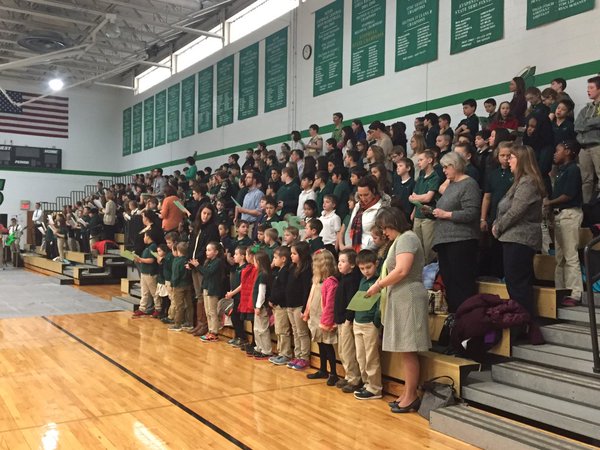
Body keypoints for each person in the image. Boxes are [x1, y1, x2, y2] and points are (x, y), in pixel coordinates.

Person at [366, 207, 431, 412]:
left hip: (408, 297)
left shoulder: (407, 238)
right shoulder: (401, 239)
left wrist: (378, 285)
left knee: (409, 349)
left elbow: (402, 270)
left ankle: (411, 396)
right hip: (401, 298)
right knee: (405, 350)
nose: (384, 232)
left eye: (385, 227)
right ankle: (406, 392)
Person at [492, 145, 545, 324]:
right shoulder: (519, 181)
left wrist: (498, 227)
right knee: (514, 284)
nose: (508, 160)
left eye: (512, 157)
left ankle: (524, 324)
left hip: (521, 238)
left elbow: (516, 211)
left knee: (518, 285)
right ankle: (522, 322)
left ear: (521, 160)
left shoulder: (528, 182)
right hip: (513, 238)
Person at [431, 153, 481, 313]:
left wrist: (446, 214)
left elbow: (471, 212)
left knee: (462, 281)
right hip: (444, 240)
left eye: (446, 167)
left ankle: (467, 317)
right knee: (449, 281)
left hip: (461, 240)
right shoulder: (451, 185)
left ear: (456, 165)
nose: (444, 170)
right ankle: (456, 316)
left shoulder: (469, 184)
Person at [544, 141, 584, 305]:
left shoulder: (573, 169)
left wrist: (549, 202)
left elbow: (568, 195)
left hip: (569, 214)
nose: (555, 153)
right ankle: (561, 290)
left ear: (568, 151)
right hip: (559, 215)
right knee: (559, 257)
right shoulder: (560, 171)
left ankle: (575, 293)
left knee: (570, 255)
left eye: (557, 150)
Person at [304, 249, 339, 386]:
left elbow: (330, 304)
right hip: (314, 316)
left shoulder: (331, 282)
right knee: (320, 344)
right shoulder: (316, 280)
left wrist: (327, 321)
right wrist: (306, 312)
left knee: (328, 346)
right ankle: (323, 369)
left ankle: (333, 373)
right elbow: (311, 297)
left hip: (324, 318)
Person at [480, 142, 514, 278]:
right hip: (495, 217)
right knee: (495, 250)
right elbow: (487, 197)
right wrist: (483, 218)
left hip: (511, 217)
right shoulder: (492, 174)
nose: (505, 158)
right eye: (502, 155)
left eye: (508, 155)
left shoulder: (517, 174)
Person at [352, 250, 382, 400]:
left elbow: (380, 304)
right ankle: (366, 383)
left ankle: (375, 388)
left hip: (370, 323)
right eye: (362, 268)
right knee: (361, 356)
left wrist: (376, 321)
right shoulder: (362, 280)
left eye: (368, 267)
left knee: (371, 357)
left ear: (376, 264)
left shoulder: (379, 281)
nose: (366, 271)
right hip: (358, 321)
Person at [333, 249, 362, 392]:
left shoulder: (352, 281)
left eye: (343, 262)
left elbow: (352, 302)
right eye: (339, 261)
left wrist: (348, 319)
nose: (339, 264)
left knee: (348, 350)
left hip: (346, 321)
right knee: (342, 351)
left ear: (352, 265)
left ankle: (354, 378)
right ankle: (348, 375)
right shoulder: (343, 279)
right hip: (340, 319)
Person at [187, 204, 219, 336]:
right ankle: (199, 323)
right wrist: (189, 261)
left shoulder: (212, 229)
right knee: (198, 294)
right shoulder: (196, 227)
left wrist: (196, 262)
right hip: (193, 263)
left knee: (202, 293)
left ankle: (205, 324)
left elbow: (207, 248)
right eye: (204, 213)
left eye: (208, 214)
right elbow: (191, 245)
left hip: (202, 264)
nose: (205, 216)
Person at [285, 241, 313, 370]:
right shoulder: (292, 267)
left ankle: (304, 357)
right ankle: (297, 355)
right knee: (295, 332)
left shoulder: (306, 270)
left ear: (302, 255)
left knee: (302, 332)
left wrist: (304, 308)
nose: (291, 256)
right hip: (290, 305)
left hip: (299, 306)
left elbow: (306, 290)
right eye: (291, 253)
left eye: (294, 254)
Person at [409, 150, 440, 263]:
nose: (419, 163)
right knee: (417, 246)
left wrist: (416, 198)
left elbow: (428, 198)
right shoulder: (421, 177)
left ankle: (431, 271)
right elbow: (413, 196)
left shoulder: (434, 177)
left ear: (430, 160)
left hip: (428, 217)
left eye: (421, 160)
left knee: (428, 247)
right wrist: (413, 211)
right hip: (417, 215)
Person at [190, 241, 225, 342]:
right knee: (207, 311)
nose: (207, 252)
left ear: (216, 252)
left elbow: (208, 273)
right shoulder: (208, 261)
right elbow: (204, 273)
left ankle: (214, 332)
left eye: (209, 250)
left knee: (212, 311)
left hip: (213, 289)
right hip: (206, 287)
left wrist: (197, 266)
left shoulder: (217, 262)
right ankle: (210, 330)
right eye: (206, 250)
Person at [575, 76, 600, 203]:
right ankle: (586, 207)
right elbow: (577, 126)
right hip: (584, 148)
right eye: (587, 88)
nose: (588, 90)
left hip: (597, 145)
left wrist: (588, 123)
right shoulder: (585, 108)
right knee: (586, 180)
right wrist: (591, 123)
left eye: (591, 87)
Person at [268, 246, 293, 365]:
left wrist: (273, 299)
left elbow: (282, 290)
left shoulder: (285, 272)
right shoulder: (280, 271)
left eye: (275, 258)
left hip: (281, 306)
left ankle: (285, 354)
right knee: (278, 330)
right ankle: (280, 352)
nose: (273, 260)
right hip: (277, 306)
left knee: (283, 330)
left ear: (283, 259)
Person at [347, 176, 383, 252]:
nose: (363, 198)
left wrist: (364, 253)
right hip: (354, 250)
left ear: (373, 191)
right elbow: (350, 228)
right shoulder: (358, 206)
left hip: (370, 253)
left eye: (366, 195)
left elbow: (380, 236)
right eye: (360, 195)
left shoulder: (381, 208)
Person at [224, 246, 249, 347]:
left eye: (236, 254)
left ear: (243, 256)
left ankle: (242, 338)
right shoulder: (237, 268)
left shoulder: (245, 268)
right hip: (235, 296)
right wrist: (231, 291)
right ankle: (238, 336)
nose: (234, 256)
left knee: (237, 317)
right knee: (234, 317)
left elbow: (242, 284)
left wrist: (232, 293)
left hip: (240, 297)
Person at [250, 251, 273, 359]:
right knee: (257, 329)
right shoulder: (261, 274)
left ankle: (266, 350)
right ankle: (259, 347)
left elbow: (261, 292)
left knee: (263, 329)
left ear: (258, 262)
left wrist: (258, 306)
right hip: (257, 307)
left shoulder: (263, 275)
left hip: (261, 307)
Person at [133, 230, 161, 318]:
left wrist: (140, 259)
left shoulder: (153, 247)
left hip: (150, 273)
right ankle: (142, 308)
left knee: (154, 292)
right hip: (144, 272)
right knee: (144, 292)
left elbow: (152, 260)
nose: (143, 238)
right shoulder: (147, 247)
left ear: (148, 237)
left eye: (144, 236)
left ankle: (158, 308)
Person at [169, 241, 193, 331]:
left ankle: (178, 323)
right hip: (188, 284)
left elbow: (175, 275)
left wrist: (173, 284)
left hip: (178, 285)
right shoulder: (188, 260)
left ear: (178, 251)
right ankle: (189, 322)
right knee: (189, 304)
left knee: (179, 305)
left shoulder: (177, 261)